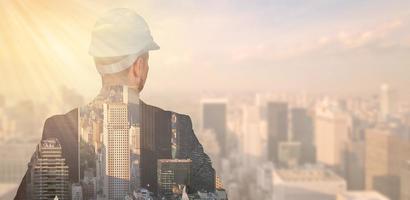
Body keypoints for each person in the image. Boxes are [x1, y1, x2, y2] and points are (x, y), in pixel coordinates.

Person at [15, 8, 215, 199]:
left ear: (98, 64)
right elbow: (214, 194)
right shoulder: (177, 127)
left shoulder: (59, 129)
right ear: (139, 66)